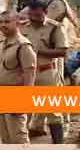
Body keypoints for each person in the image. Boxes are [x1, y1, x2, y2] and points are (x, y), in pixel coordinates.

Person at [21, 0, 68, 144]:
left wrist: (38, 51)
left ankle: (58, 144)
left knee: (53, 111)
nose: (34, 19)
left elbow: (62, 51)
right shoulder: (22, 27)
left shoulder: (55, 27)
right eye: (31, 15)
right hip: (27, 73)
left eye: (37, 16)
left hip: (46, 73)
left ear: (46, 12)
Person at [0, 10, 36, 144]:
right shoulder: (2, 44)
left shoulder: (23, 46)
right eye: (1, 22)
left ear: (17, 23)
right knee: (6, 138)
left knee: (18, 138)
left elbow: (30, 75)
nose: (3, 25)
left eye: (7, 22)